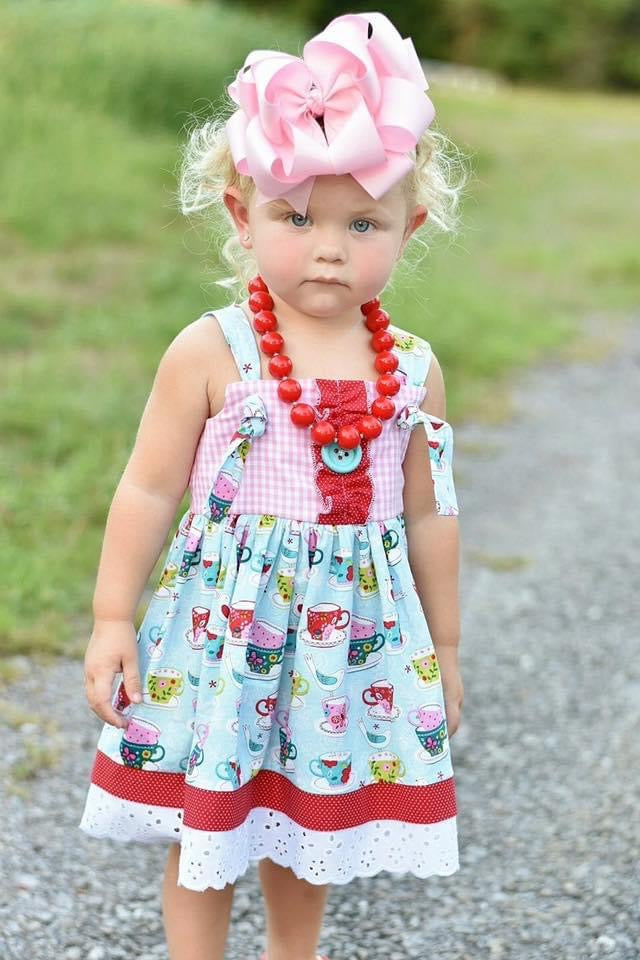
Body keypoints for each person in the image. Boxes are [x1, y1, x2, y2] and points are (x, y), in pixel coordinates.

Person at [79, 11, 468, 960]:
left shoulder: (412, 369)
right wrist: (111, 619)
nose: (328, 248)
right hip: (225, 630)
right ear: (238, 212)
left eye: (361, 223)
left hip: (349, 648)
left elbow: (429, 511)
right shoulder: (213, 350)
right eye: (296, 218)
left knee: (312, 826)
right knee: (206, 818)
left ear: (408, 227)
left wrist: (446, 646)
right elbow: (147, 489)